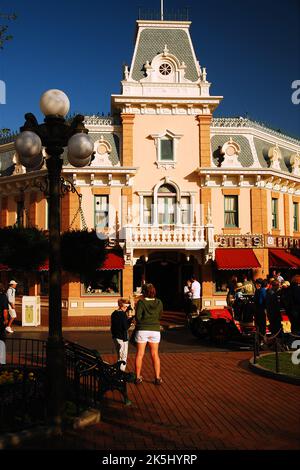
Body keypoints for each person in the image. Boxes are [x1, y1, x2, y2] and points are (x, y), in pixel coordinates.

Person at [134, 283, 163, 385]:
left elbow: (137, 316)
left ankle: (137, 377)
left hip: (142, 329)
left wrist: (143, 321)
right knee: (155, 354)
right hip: (155, 329)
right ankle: (157, 377)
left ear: (144, 292)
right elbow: (160, 315)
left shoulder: (141, 302)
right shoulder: (159, 302)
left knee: (140, 354)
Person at [110, 298, 134, 371]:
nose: (127, 309)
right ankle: (121, 373)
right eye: (126, 307)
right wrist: (130, 321)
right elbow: (125, 327)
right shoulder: (122, 314)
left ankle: (118, 370)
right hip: (122, 338)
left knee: (119, 356)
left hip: (115, 337)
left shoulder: (114, 313)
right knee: (123, 358)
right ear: (123, 306)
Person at [0, 283, 9, 364]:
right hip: (0, 321)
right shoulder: (3, 297)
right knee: (2, 340)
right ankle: (2, 360)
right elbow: (5, 310)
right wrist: (6, 320)